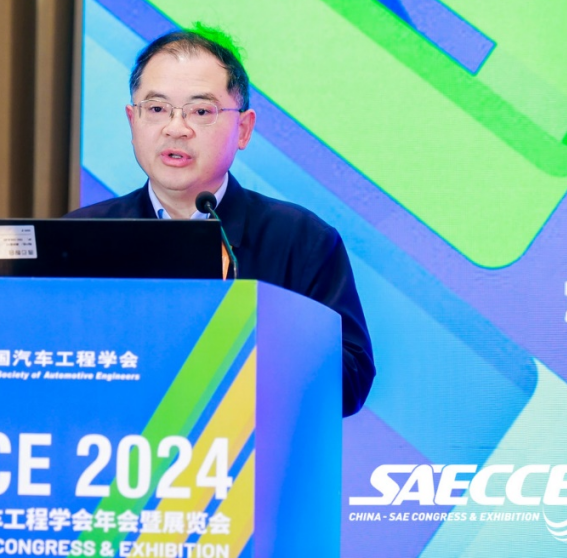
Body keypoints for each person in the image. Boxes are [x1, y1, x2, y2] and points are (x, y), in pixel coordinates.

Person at [67, 28, 375, 416]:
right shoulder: (81, 236)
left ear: (243, 129)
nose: (176, 128)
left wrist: (246, 343)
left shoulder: (301, 240)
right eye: (157, 109)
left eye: (200, 112)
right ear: (133, 120)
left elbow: (351, 380)